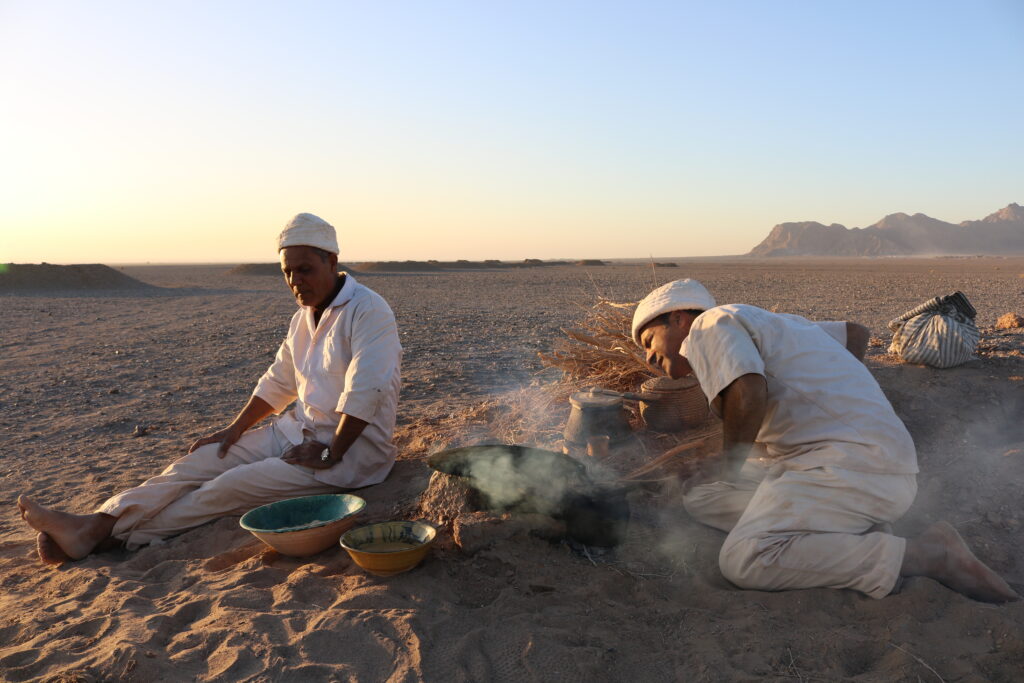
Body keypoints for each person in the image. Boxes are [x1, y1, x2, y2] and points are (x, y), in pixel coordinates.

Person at [18, 213, 402, 564]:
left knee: (227, 487)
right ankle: (97, 524)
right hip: (294, 433)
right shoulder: (303, 318)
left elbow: (366, 391)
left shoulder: (368, 310)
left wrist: (331, 452)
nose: (294, 281)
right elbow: (279, 380)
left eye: (305, 269)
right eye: (287, 272)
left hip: (348, 455)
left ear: (332, 263)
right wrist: (234, 430)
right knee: (201, 463)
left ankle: (113, 539)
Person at [632, 278, 1017, 603]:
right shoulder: (772, 322)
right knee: (703, 496)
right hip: (858, 460)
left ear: (679, 318)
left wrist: (729, 462)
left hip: (854, 466)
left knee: (745, 559)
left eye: (649, 340)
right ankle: (839, 531)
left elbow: (748, 393)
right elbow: (855, 334)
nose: (649, 357)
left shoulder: (709, 326)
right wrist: (840, 399)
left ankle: (929, 556)